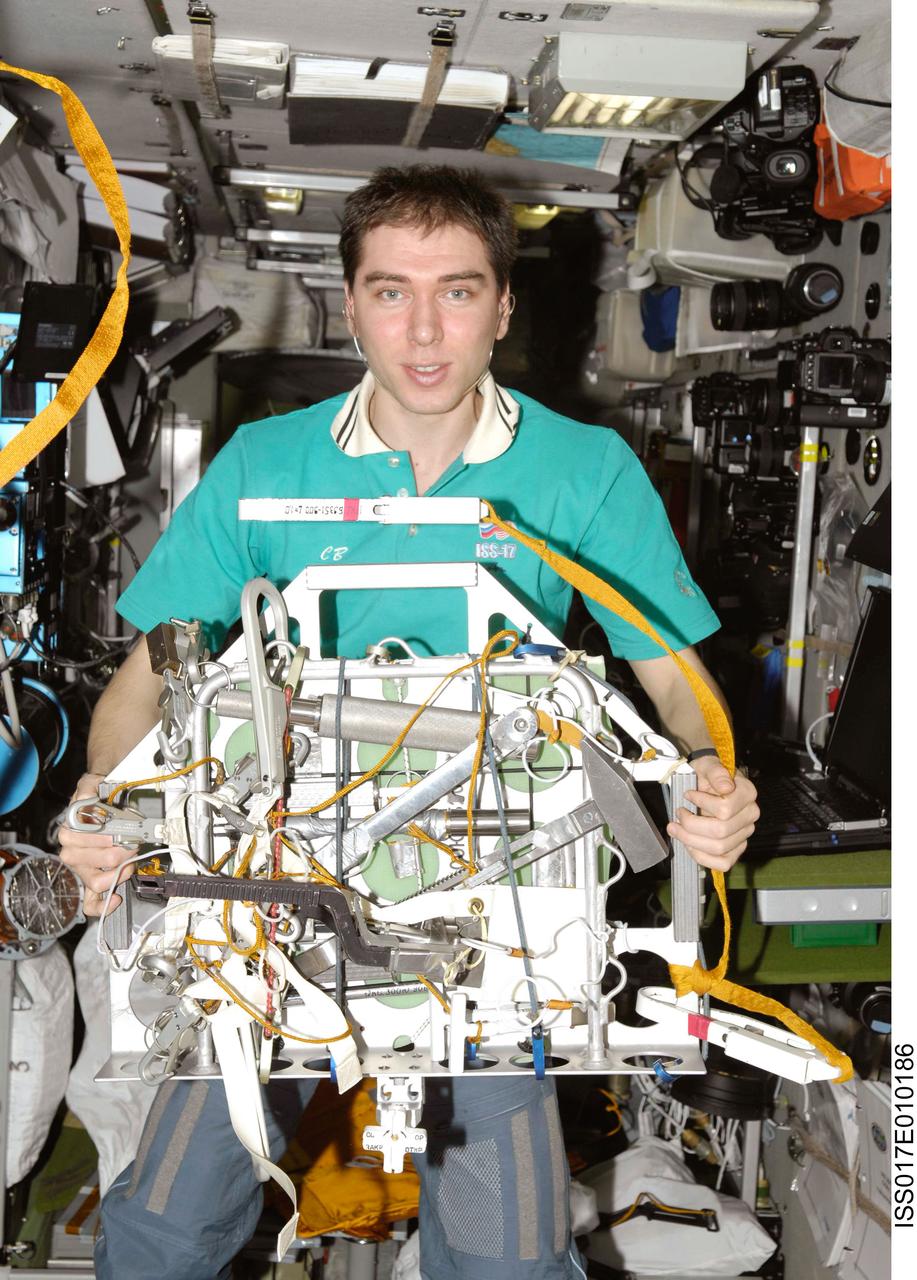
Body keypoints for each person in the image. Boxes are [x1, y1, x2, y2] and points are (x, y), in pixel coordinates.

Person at [60, 163, 759, 1280]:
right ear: (350, 304)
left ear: (504, 304)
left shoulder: (584, 473)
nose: (424, 332)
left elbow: (672, 680)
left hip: (500, 916)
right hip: (274, 901)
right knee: (162, 1226)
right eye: (391, 292)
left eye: (458, 291)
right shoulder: (266, 469)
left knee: (506, 1254)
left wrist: (709, 780)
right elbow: (148, 680)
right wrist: (101, 802)